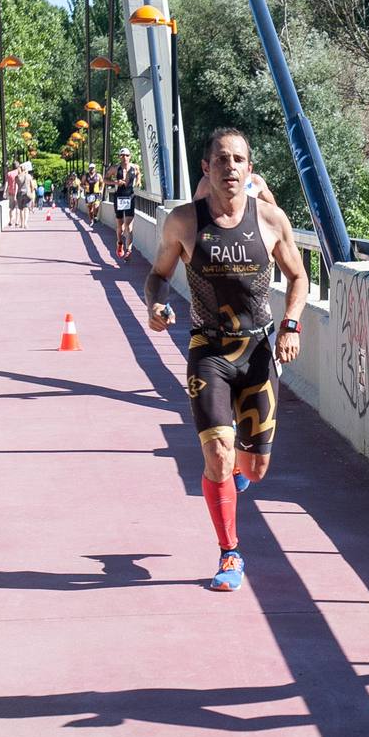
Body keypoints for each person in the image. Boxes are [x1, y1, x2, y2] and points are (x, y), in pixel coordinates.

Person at [146, 127, 308, 592]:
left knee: (253, 469)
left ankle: (235, 473)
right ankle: (230, 554)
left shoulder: (271, 220)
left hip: (257, 350)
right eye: (221, 159)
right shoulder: (183, 222)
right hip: (209, 349)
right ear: (206, 168)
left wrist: (291, 325)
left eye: (239, 159)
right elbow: (158, 276)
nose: (230, 168)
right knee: (217, 453)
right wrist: (155, 305)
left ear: (249, 169)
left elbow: (299, 279)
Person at [109, 148, 141, 259]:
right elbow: (104, 179)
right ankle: (119, 243)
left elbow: (138, 174)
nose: (124, 157)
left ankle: (129, 250)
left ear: (130, 156)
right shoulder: (115, 168)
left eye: (126, 155)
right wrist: (115, 182)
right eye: (122, 155)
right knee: (120, 227)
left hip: (130, 197)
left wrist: (138, 181)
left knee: (129, 226)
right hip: (119, 197)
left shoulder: (135, 167)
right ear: (119, 157)